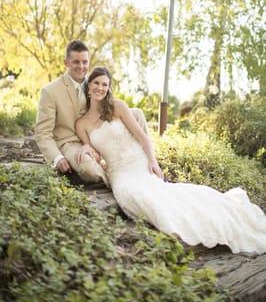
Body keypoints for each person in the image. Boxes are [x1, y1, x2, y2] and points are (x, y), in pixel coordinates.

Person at [75, 66, 266, 254]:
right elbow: (96, 155)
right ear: (89, 86)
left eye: (105, 84)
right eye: (96, 83)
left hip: (139, 164)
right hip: (120, 175)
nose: (100, 88)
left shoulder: (117, 107)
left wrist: (153, 161)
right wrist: (86, 148)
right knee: (132, 195)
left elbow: (142, 136)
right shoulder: (81, 124)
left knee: (166, 198)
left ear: (108, 88)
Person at [35, 40, 149, 185]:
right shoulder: (50, 91)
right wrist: (58, 158)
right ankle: (117, 181)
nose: (81, 66)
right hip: (71, 143)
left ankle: (149, 165)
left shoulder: (94, 82)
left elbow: (109, 105)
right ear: (66, 62)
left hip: (94, 134)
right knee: (90, 169)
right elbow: (42, 133)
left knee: (137, 113)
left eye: (84, 62)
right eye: (76, 62)